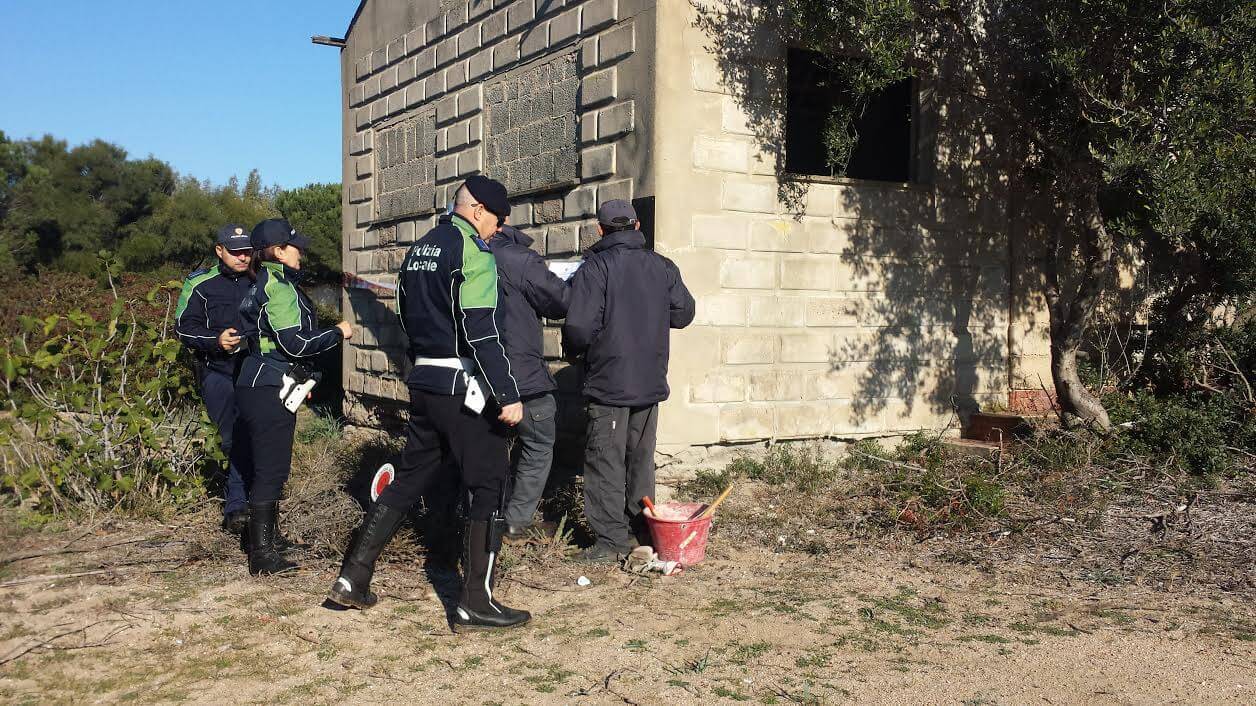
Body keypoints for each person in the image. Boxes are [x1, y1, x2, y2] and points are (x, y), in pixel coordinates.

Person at [329, 175, 531, 632]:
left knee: (410, 476)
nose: (497, 230)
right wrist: (508, 393)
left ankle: (352, 577)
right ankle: (475, 602)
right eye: (497, 220)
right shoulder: (472, 253)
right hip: (463, 385)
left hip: (424, 380)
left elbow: (405, 315)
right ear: (477, 210)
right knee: (489, 483)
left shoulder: (418, 250)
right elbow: (480, 330)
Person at [562, 200, 696, 563]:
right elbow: (684, 313)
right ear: (637, 225)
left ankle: (611, 542)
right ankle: (642, 529)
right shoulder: (662, 266)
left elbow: (576, 327)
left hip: (609, 383)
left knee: (605, 458)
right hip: (650, 382)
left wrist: (581, 352)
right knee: (640, 458)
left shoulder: (596, 268)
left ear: (601, 230)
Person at [235, 219, 352, 575]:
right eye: (295, 246)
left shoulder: (267, 282)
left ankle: (269, 538)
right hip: (267, 385)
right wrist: (337, 332)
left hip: (260, 383)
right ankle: (263, 556)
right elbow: (294, 344)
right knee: (271, 469)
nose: (302, 251)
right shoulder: (278, 288)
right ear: (279, 251)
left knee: (270, 466)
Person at [488, 224, 570, 538]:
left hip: (473, 374)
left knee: (483, 446)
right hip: (521, 375)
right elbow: (560, 300)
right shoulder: (519, 259)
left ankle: (478, 514)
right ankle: (515, 520)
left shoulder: (460, 255)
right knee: (538, 443)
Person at [174, 224, 255, 534]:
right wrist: (215, 340)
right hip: (217, 371)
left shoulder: (260, 280)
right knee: (231, 436)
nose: (242, 256)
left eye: (247, 250)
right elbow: (182, 327)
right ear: (219, 251)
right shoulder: (200, 284)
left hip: (255, 371)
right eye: (235, 251)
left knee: (256, 433)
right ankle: (237, 503)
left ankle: (251, 502)